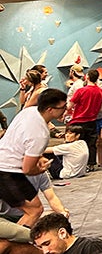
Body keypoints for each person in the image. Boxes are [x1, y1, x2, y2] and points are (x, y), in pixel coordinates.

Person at [0, 89, 67, 226]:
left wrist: (38, 156)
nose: (65, 110)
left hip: (4, 163)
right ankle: (12, 245)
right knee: (35, 210)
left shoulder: (28, 111)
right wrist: (41, 169)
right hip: (7, 172)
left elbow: (22, 142)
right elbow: (27, 169)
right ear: (50, 109)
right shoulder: (40, 133)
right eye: (62, 108)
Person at [67, 69, 102, 173]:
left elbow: (70, 105)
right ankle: (91, 164)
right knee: (91, 144)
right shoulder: (101, 92)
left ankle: (76, 164)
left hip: (78, 121)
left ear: (87, 77)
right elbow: (101, 109)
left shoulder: (80, 91)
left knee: (75, 143)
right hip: (92, 120)